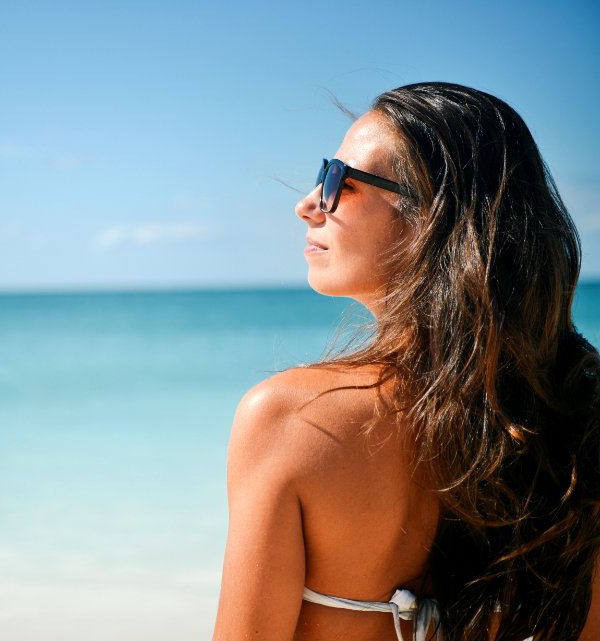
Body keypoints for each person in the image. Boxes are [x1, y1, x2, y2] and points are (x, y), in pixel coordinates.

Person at [212, 82, 600, 641]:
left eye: (338, 180)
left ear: (431, 219)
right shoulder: (576, 419)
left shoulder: (293, 421)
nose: (308, 202)